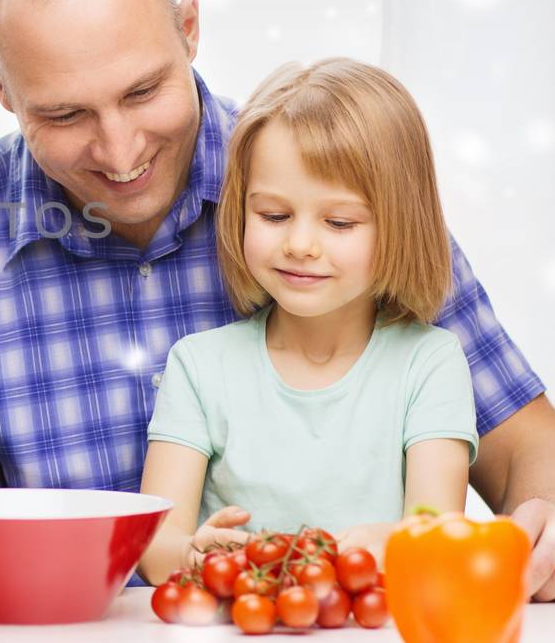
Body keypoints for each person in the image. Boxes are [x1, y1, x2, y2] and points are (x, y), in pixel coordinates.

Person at [0, 0, 555, 601]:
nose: (121, 150)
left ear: (189, 29)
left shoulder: (333, 186)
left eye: (144, 90)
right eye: (65, 113)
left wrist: (554, 531)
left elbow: (535, 446)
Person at [138, 59, 476, 584]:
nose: (299, 245)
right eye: (273, 215)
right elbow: (155, 546)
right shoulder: (199, 366)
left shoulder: (429, 363)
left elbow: (439, 535)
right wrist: (192, 554)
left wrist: (390, 544)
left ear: (401, 225)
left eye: (339, 222)